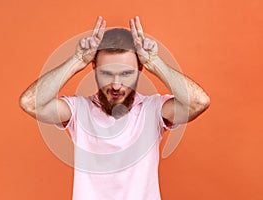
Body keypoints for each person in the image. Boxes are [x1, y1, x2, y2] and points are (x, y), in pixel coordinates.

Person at [19, 16, 210, 200]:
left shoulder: (152, 110)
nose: (116, 85)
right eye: (107, 74)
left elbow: (199, 102)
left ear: (140, 70)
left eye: (126, 73)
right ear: (93, 67)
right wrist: (77, 60)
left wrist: (154, 62)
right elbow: (30, 102)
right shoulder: (79, 110)